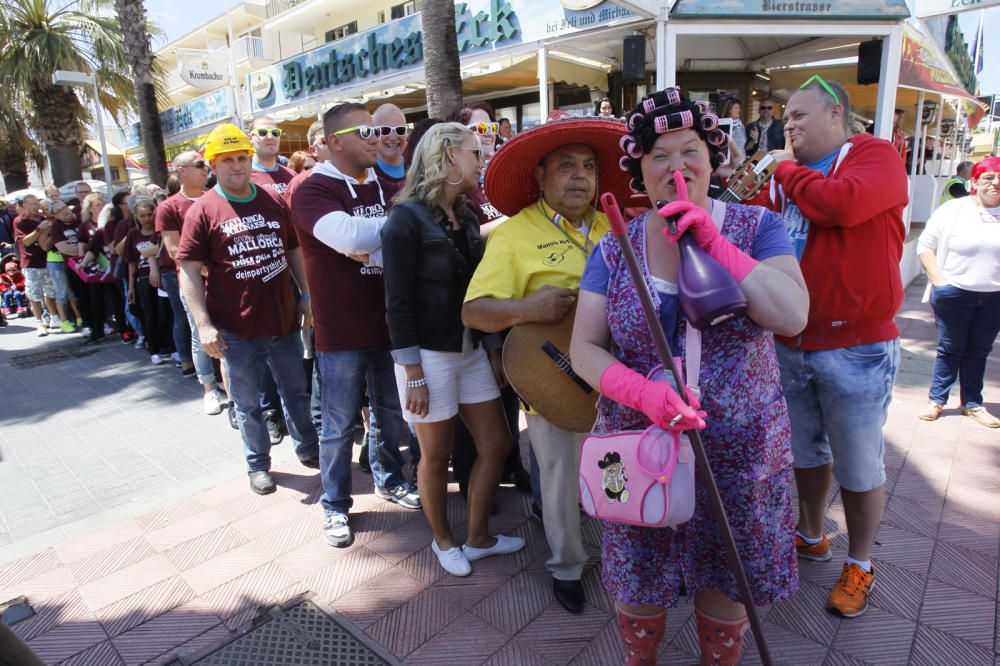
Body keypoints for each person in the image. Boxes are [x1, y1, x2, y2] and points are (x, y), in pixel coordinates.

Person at [570, 86, 808, 666]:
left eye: (690, 151)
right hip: (640, 444)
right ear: (640, 171)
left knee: (728, 572)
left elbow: (792, 315)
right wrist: (643, 392)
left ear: (714, 157)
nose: (677, 167)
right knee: (639, 565)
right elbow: (584, 348)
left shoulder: (757, 228)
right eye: (660, 156)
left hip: (740, 451)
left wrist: (714, 243)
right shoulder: (612, 247)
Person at [461, 116, 631, 614]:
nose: (579, 176)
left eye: (587, 167)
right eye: (565, 166)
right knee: (558, 472)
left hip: (615, 374)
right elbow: (474, 310)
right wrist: (527, 309)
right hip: (554, 374)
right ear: (540, 177)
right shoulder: (513, 236)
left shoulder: (611, 226)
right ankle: (568, 566)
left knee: (616, 463)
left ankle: (624, 550)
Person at [759, 76, 907, 619]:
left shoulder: (875, 155)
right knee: (804, 453)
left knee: (859, 465)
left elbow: (839, 207)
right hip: (791, 341)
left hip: (857, 345)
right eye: (786, 117)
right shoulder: (783, 176)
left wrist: (783, 170)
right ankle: (811, 533)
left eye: (799, 115)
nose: (788, 126)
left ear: (836, 114)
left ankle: (861, 563)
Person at [382, 122, 526, 575]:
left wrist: (489, 344)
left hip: (468, 350)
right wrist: (412, 374)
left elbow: (476, 288)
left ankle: (478, 536)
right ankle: (443, 541)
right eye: (475, 154)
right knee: (436, 455)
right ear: (448, 156)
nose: (480, 163)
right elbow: (396, 304)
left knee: (498, 443)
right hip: (427, 357)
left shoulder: (464, 214)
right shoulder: (404, 219)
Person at [292, 103, 420, 548]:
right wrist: (381, 238)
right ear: (333, 141)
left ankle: (389, 479)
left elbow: (392, 242)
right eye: (364, 130)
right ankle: (334, 505)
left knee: (390, 416)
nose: (375, 137)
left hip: (390, 326)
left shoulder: (386, 186)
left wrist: (374, 244)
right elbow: (349, 238)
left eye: (377, 129)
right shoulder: (312, 191)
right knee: (338, 426)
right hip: (341, 333)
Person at [177, 123, 319, 495]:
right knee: (248, 403)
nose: (237, 166)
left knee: (296, 392)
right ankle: (258, 464)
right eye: (227, 160)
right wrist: (204, 325)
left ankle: (307, 448)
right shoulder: (203, 211)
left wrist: (305, 295)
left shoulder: (273, 201)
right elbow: (188, 271)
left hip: (283, 320)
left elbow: (292, 250)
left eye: (242, 158)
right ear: (212, 165)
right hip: (236, 329)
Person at [917, 156, 1000, 428]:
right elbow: (925, 246)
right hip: (955, 292)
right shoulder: (952, 210)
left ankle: (973, 403)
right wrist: (940, 282)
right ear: (974, 182)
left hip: (994, 296)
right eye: (988, 178)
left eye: (999, 178)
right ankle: (937, 400)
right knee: (951, 348)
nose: (995, 183)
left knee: (980, 349)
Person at [157, 150, 229, 411]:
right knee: (202, 335)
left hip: (226, 281)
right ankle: (209, 388)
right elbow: (174, 251)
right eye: (198, 165)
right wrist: (212, 271)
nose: (205, 169)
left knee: (229, 335)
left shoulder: (217, 198)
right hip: (196, 282)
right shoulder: (169, 207)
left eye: (205, 165)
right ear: (181, 171)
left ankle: (228, 385)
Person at [126, 197, 170, 364]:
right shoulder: (133, 234)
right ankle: (154, 349)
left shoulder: (159, 232)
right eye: (142, 215)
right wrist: (130, 286)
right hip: (143, 278)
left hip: (162, 275)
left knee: (165, 313)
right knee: (149, 314)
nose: (146, 218)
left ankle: (169, 347)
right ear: (136, 216)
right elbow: (131, 261)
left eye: (149, 214)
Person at [13, 195, 65, 336]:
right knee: (34, 294)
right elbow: (26, 242)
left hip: (47, 260)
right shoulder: (19, 221)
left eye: (37, 204)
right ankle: (39, 322)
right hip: (30, 262)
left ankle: (54, 317)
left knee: (51, 291)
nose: (35, 207)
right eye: (31, 204)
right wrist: (38, 229)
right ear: (24, 205)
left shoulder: (45, 219)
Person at [248, 116, 296, 195]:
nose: (270, 137)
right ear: (250, 138)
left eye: (275, 132)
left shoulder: (292, 176)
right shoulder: (243, 179)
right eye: (262, 132)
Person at [372, 103, 408, 191]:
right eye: (385, 130)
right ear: (373, 134)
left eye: (400, 130)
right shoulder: (365, 175)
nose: (393, 137)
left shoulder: (417, 169)